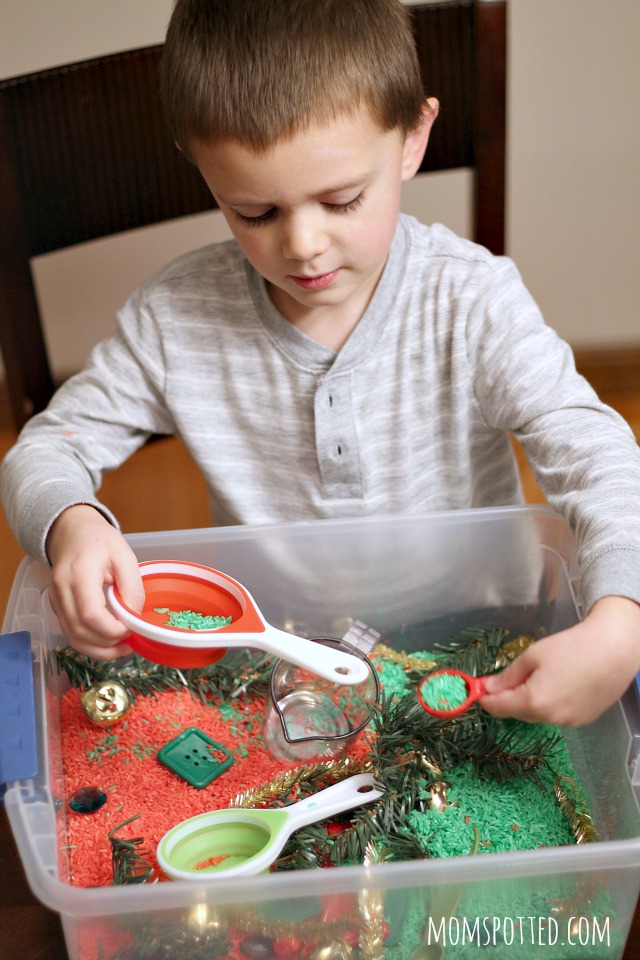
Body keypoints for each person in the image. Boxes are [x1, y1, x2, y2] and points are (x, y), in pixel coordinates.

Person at [2, 0, 640, 727]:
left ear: (411, 139)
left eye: (342, 200)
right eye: (255, 212)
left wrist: (622, 619)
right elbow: (44, 451)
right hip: (268, 654)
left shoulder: (472, 302)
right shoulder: (174, 320)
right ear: (202, 170)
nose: (302, 244)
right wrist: (73, 524)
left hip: (477, 646)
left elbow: (600, 455)